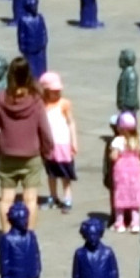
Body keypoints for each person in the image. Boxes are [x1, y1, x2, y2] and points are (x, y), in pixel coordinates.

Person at [0, 57, 54, 233]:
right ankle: (28, 235)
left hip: (7, 153)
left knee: (6, 198)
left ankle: (6, 235)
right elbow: (44, 129)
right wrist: (47, 150)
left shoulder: (0, 98)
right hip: (31, 155)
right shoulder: (35, 100)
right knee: (30, 199)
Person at [38, 71, 78, 213]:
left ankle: (67, 198)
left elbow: (71, 122)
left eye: (58, 91)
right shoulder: (41, 104)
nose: (56, 93)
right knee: (51, 173)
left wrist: (74, 141)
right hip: (48, 145)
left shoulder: (64, 104)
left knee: (65, 173)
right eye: (53, 91)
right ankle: (53, 196)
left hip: (62, 143)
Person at [109, 112, 140, 233]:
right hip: (135, 171)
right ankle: (135, 223)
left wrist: (112, 152)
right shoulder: (139, 140)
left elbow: (114, 156)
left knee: (121, 195)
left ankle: (119, 223)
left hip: (121, 171)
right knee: (135, 196)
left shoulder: (118, 141)